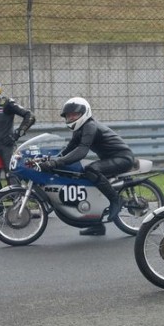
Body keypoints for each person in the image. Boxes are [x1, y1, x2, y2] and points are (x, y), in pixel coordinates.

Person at [37, 98, 134, 236]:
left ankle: (115, 199)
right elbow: (68, 150)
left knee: (91, 169)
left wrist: (57, 162)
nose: (71, 117)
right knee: (83, 177)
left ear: (84, 112)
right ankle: (96, 224)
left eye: (74, 115)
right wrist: (51, 160)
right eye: (68, 115)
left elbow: (81, 151)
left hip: (123, 158)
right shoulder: (79, 130)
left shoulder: (90, 126)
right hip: (110, 159)